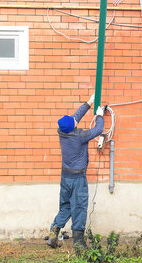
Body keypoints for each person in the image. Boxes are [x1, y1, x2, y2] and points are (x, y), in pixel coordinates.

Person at [47, 94, 105, 251]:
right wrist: (100, 116)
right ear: (73, 126)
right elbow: (99, 129)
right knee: (79, 207)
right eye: (73, 121)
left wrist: (89, 103)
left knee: (65, 206)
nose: (75, 120)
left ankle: (53, 234)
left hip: (65, 177)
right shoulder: (80, 136)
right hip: (78, 179)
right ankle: (79, 243)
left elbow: (75, 117)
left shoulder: (62, 132)